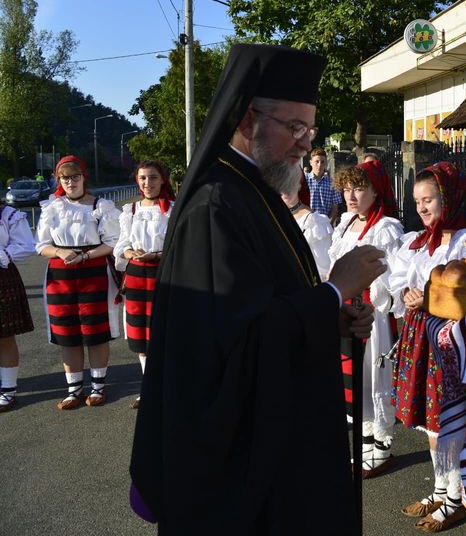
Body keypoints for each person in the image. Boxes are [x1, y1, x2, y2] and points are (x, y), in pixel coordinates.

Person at [129, 44, 386, 534]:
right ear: (248, 119)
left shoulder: (253, 190)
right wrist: (333, 291)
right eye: (295, 128)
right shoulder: (216, 206)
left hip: (283, 436)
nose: (304, 145)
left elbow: (268, 302)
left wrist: (330, 316)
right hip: (245, 465)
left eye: (310, 131)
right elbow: (236, 342)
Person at [386, 161, 466, 531]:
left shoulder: (464, 241)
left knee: (447, 416)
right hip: (419, 334)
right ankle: (441, 488)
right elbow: (398, 281)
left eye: (429, 200)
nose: (422, 207)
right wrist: (407, 294)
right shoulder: (420, 242)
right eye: (417, 201)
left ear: (448, 199)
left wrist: (429, 299)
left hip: (447, 339)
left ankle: (458, 495)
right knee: (430, 418)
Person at [328, 159, 403, 479]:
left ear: (376, 191)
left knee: (375, 374)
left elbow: (392, 274)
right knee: (356, 377)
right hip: (347, 310)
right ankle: (364, 443)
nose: (351, 195)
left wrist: (374, 296)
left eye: (359, 189)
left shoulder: (385, 228)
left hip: (372, 312)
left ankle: (382, 446)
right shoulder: (345, 223)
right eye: (347, 189)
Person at [36, 155, 121, 410]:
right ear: (59, 180)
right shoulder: (52, 208)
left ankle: (98, 386)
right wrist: (59, 252)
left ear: (84, 177)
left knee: (96, 332)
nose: (70, 182)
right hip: (60, 275)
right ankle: (73, 389)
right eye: (65, 178)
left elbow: (113, 242)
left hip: (94, 272)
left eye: (75, 176)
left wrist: (85, 255)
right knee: (67, 333)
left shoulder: (100, 206)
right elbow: (41, 245)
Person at [114, 160, 176, 409]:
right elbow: (122, 244)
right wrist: (130, 252)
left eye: (152, 178)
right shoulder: (130, 210)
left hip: (166, 273)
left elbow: (181, 244)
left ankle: (169, 389)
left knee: (166, 331)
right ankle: (149, 388)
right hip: (137, 275)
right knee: (141, 335)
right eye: (142, 178)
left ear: (162, 180)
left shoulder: (174, 209)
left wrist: (157, 255)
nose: (147, 183)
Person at [0, 196, 36, 412]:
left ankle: (8, 388)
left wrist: (2, 254)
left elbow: (26, 246)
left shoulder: (8, 214)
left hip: (2, 276)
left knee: (4, 336)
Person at [281, 176, 334, 278]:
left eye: (290, 183)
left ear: (299, 185)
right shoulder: (274, 217)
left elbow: (323, 269)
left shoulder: (315, 223)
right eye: (281, 184)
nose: (285, 189)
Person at [306, 147, 341, 222]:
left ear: (326, 163)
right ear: (311, 162)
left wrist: (328, 224)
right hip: (306, 224)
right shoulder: (304, 180)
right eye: (317, 161)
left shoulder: (332, 183)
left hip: (324, 224)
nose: (319, 165)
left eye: (322, 162)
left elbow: (335, 208)